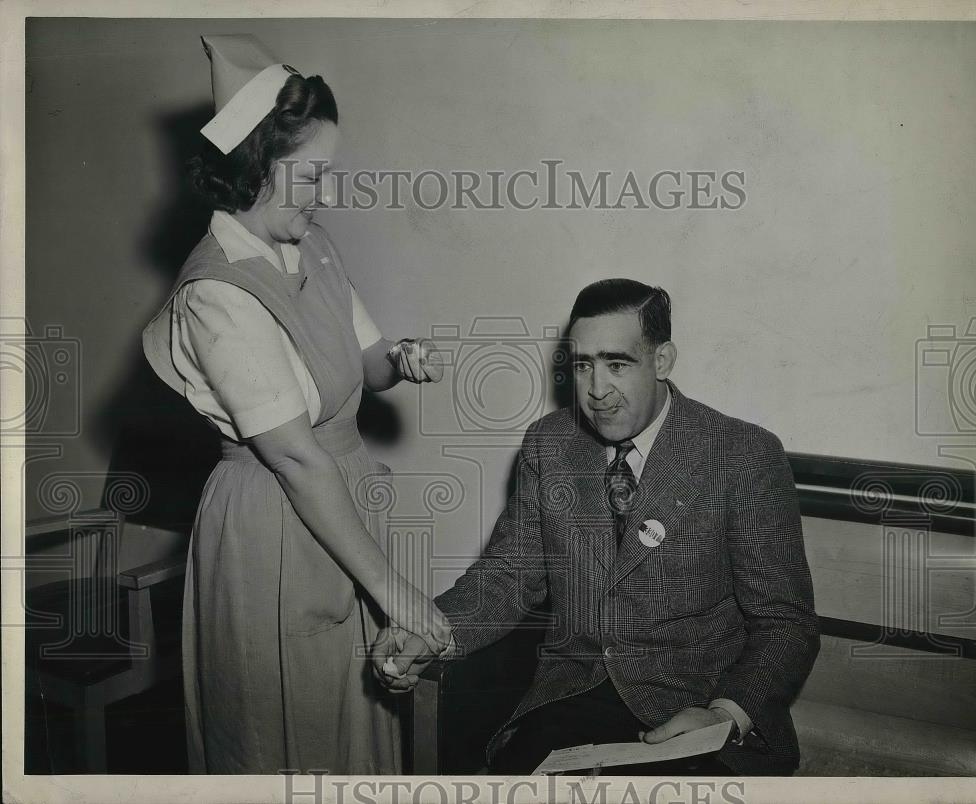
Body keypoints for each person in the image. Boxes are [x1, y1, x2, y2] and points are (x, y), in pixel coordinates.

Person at [142, 34, 451, 775]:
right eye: (310, 175)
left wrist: (404, 361)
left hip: (336, 507)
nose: (324, 193)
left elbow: (367, 364)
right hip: (273, 523)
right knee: (283, 735)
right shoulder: (218, 291)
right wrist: (400, 594)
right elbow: (294, 455)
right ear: (254, 166)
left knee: (353, 728)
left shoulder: (310, 245)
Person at [373, 279, 820, 775]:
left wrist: (723, 714)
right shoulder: (550, 444)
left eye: (617, 364)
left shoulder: (742, 455)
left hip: (696, 716)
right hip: (573, 698)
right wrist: (432, 630)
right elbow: (507, 577)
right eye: (583, 364)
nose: (597, 390)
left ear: (663, 360)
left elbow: (787, 627)